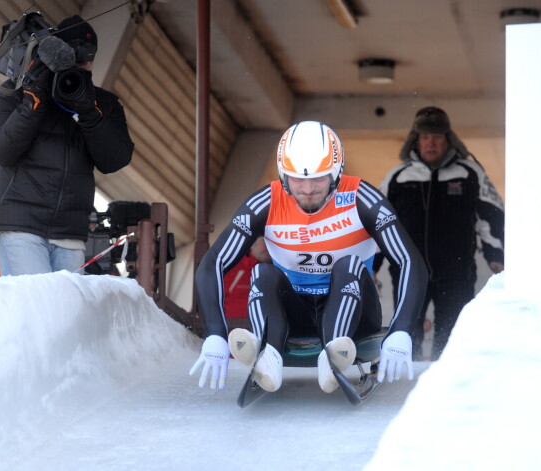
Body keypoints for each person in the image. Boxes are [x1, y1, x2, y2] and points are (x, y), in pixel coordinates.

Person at [189, 121, 428, 392]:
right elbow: (213, 262)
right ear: (283, 175)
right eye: (297, 179)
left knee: (348, 265)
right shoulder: (266, 202)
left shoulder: (362, 197)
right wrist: (215, 334)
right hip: (296, 317)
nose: (307, 189)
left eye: (318, 179)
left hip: (356, 315)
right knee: (262, 272)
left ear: (336, 173)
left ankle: (333, 354)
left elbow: (410, 259)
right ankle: (269, 357)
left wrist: (401, 329)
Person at [0, 15, 134, 276]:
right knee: (36, 309)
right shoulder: (17, 91)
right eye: (74, 58)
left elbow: (115, 160)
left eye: (86, 59)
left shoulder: (103, 103)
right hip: (20, 225)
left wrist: (88, 111)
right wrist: (34, 102)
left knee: (64, 317)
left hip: (69, 234)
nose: (80, 66)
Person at [375, 107, 504, 360]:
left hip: (456, 273)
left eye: (437, 137)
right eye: (424, 137)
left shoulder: (469, 173)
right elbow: (379, 225)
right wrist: (372, 265)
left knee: (453, 337)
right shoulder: (397, 176)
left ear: (448, 140)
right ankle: (400, 388)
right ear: (416, 140)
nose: (430, 143)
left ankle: (449, 390)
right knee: (406, 335)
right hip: (408, 273)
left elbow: (491, 218)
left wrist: (495, 254)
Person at [223, 237, 271, 322]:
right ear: (252, 243)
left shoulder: (278, 270)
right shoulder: (233, 268)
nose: (268, 246)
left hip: (266, 332)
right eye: (265, 240)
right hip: (233, 332)